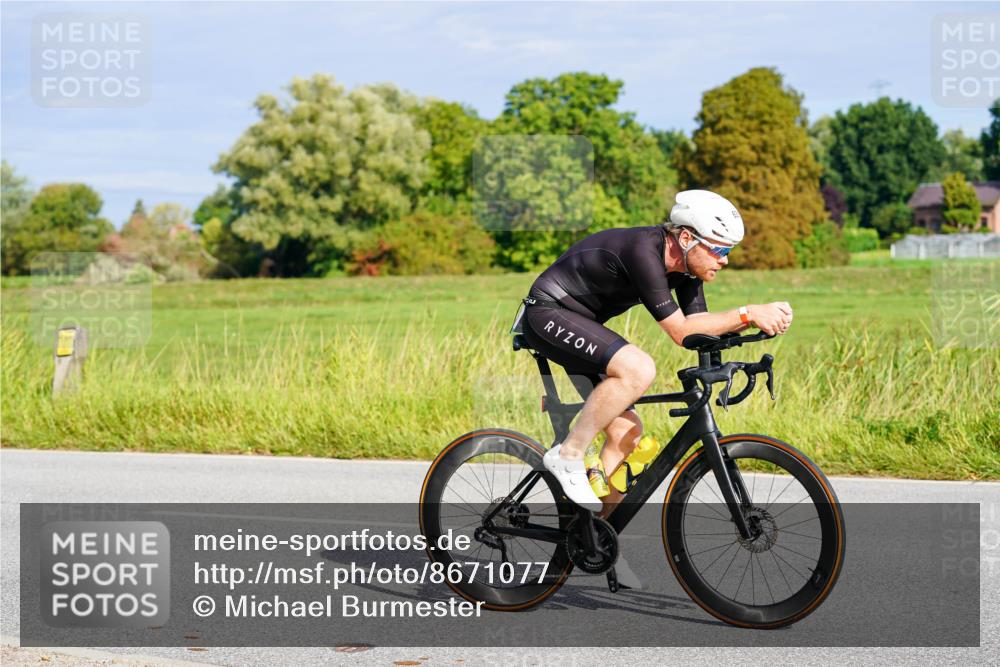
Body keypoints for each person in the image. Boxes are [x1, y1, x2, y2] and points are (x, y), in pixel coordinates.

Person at [522, 190, 793, 587]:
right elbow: (681, 331)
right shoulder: (643, 251)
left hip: (581, 323)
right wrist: (749, 313)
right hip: (547, 312)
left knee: (627, 434)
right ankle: (569, 454)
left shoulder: (685, 269)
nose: (725, 259)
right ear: (686, 238)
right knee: (638, 369)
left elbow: (699, 329)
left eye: (729, 250)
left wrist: (737, 343)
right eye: (719, 249)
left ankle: (597, 542)